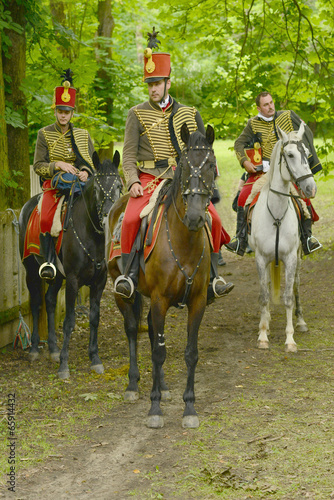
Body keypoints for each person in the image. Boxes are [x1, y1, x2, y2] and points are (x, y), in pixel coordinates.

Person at [114, 28, 234, 302]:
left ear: (168, 82)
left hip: (185, 180)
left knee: (213, 219)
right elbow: (129, 155)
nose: (153, 89)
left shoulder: (190, 114)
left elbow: (205, 152)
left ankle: (214, 276)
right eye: (149, 84)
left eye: (157, 83)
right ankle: (129, 276)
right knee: (132, 218)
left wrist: (208, 181)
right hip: (148, 179)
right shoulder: (136, 114)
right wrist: (132, 180)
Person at [226, 91, 322, 256]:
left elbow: (305, 132)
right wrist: (245, 161)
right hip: (263, 173)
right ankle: (240, 239)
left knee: (304, 198)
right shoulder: (253, 124)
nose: (270, 107)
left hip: (288, 170)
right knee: (243, 196)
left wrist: (306, 161)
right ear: (259, 108)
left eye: (271, 102)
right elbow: (238, 143)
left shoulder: (288, 116)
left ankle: (307, 239)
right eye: (266, 105)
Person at [33, 70, 96, 280]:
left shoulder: (82, 135)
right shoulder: (44, 134)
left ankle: (99, 257)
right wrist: (57, 165)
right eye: (60, 111)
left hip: (79, 184)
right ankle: (49, 261)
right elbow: (38, 166)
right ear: (55, 111)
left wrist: (86, 172)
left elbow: (90, 162)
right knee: (45, 219)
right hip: (54, 186)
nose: (63, 115)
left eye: (67, 112)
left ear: (72, 113)